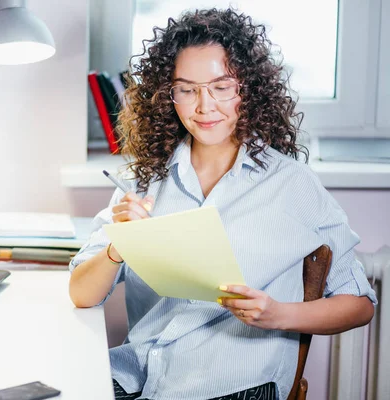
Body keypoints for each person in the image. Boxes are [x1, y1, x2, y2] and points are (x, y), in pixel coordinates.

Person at [69, 8, 377, 400]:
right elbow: (82, 294)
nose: (204, 106)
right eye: (187, 89)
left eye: (221, 87)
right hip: (141, 375)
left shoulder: (291, 184)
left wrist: (278, 314)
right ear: (169, 96)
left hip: (236, 384)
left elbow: (360, 305)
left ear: (246, 89)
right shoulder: (143, 179)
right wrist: (117, 246)